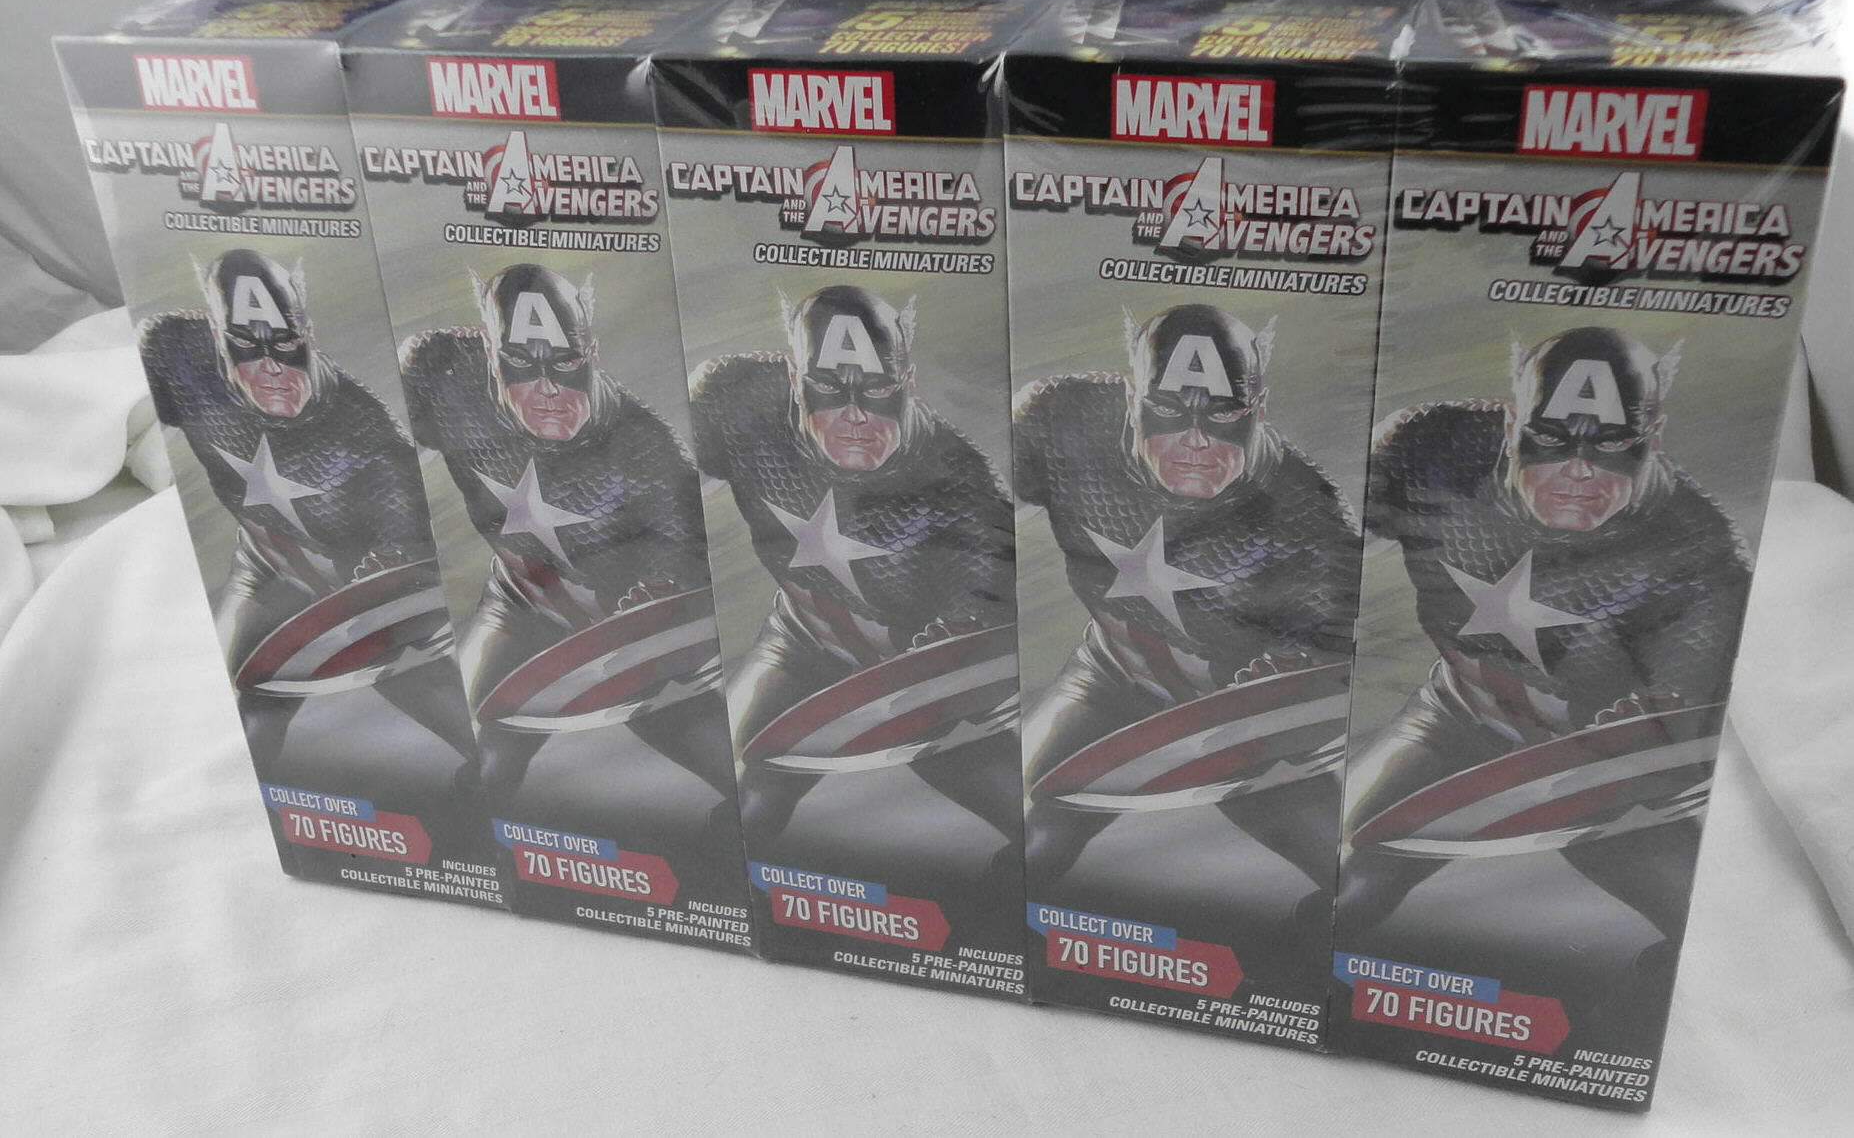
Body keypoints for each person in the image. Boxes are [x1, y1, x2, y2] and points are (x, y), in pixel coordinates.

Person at [1339, 325, 1749, 1009]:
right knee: (1339, 879)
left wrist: (1643, 739)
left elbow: (1675, 736)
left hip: (1599, 762)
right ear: (1512, 424)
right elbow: (1320, 551)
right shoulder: (1432, 447)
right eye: (1553, 439)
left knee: (1710, 950)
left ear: (1653, 438)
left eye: (1610, 444)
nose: (1579, 471)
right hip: (1462, 719)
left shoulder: (1700, 554)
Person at [1015, 304, 1359, 946]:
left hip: (1237, 712)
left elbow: (1336, 663)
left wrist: (1296, 674)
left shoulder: (1305, 511)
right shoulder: (1062, 421)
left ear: (1258, 411)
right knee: (1023, 835)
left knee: (1351, 883)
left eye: (1222, 414)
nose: (1196, 440)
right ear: (1133, 400)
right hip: (1116, 677)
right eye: (1171, 409)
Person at [689, 284, 1019, 850]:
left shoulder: (958, 476)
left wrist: (960, 635)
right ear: (795, 379)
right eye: (828, 388)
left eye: (876, 389)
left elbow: (988, 595)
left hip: (916, 673)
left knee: (1030, 824)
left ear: (907, 384)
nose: (854, 415)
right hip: (804, 642)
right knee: (744, 804)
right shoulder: (736, 399)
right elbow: (662, 493)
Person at [399, 263, 734, 813]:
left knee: (733, 777)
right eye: (522, 365)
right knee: (486, 764)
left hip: (621, 625)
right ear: (490, 357)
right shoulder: (446, 375)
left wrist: (660, 591)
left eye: (564, 363)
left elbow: (684, 555)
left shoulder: (644, 444)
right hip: (520, 603)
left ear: (591, 355)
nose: (548, 388)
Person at [140, 248, 478, 782]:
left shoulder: (366, 433)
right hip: (268, 561)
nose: (271, 366)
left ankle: (488, 782)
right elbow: (139, 422)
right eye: (247, 346)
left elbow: (401, 550)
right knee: (243, 704)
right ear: (218, 341)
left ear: (308, 337)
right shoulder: (179, 353)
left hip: (355, 576)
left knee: (402, 664)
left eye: (284, 344)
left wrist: (387, 572)